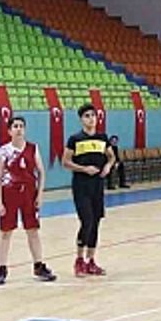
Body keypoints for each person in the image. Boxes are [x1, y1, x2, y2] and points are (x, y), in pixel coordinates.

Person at [0, 116, 56, 284]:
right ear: (9, 131)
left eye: (21, 126)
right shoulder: (4, 151)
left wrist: (40, 194)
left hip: (29, 193)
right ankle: (2, 268)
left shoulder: (33, 148)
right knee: (6, 231)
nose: (19, 129)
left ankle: (39, 265)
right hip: (9, 193)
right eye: (15, 126)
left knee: (33, 230)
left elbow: (41, 172)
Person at [62, 104, 114, 277]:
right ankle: (79, 260)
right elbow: (65, 162)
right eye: (87, 116)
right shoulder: (75, 139)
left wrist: (108, 166)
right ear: (81, 119)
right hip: (81, 185)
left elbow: (111, 156)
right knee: (87, 221)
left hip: (97, 185)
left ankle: (91, 261)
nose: (91, 119)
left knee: (96, 222)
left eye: (93, 115)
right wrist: (84, 169)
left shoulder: (102, 138)